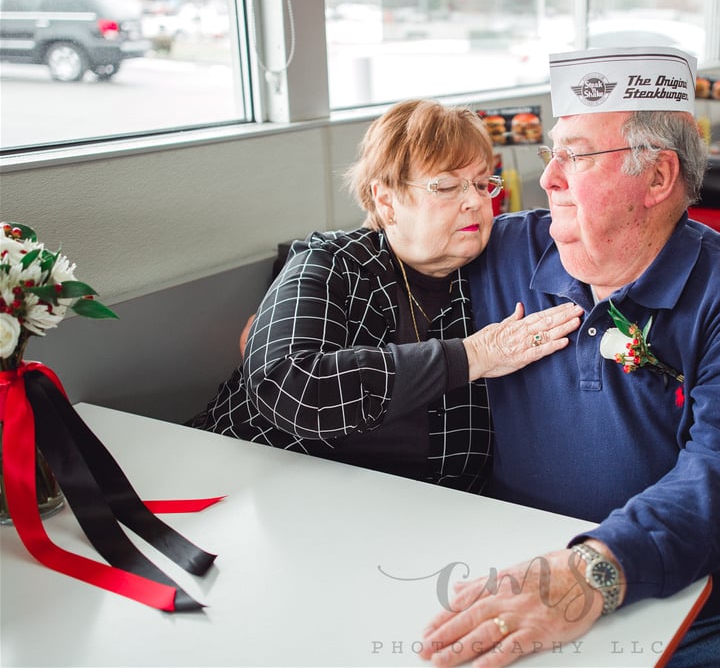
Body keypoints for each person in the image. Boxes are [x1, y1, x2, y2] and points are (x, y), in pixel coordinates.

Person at [419, 48, 720, 666]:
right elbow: (369, 251)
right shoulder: (501, 248)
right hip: (511, 569)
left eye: (577, 156)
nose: (548, 178)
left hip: (708, 605)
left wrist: (591, 571)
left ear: (659, 177)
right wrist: (296, 294)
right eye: (551, 153)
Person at [190, 98, 583, 493]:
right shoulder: (332, 262)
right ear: (386, 200)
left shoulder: (491, 279)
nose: (475, 201)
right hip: (242, 485)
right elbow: (288, 384)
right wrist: (473, 356)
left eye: (482, 184)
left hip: (398, 516)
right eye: (446, 186)